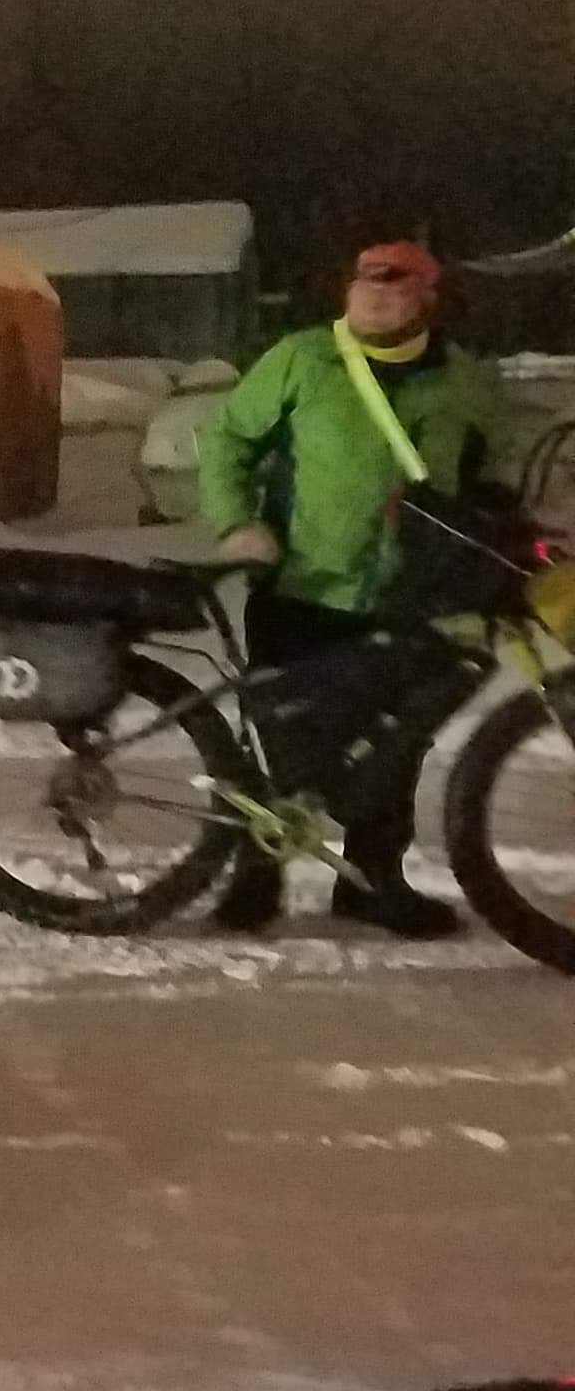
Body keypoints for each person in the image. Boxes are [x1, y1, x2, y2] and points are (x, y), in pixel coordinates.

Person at [197, 238, 513, 935]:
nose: (373, 291)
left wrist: (493, 531)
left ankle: (372, 881)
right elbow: (227, 440)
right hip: (301, 586)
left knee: (394, 742)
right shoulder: (303, 358)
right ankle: (255, 876)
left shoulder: (464, 380)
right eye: (364, 280)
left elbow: (493, 471)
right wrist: (237, 525)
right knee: (276, 735)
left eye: (392, 281)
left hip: (411, 591)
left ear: (429, 297)